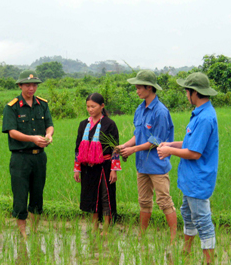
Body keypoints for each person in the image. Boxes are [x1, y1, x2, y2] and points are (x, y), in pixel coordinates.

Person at [157, 72, 219, 265]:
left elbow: (194, 153)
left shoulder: (205, 118)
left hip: (198, 179)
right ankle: (186, 249)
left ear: (194, 92)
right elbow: (190, 143)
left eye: (186, 91)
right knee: (188, 213)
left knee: (202, 219)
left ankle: (209, 263)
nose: (185, 94)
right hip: (189, 179)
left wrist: (169, 151)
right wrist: (171, 144)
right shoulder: (200, 114)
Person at [119, 70, 177, 242]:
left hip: (157, 164)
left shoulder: (160, 111)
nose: (136, 91)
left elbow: (155, 141)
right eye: (136, 87)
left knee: (164, 201)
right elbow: (139, 134)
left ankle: (173, 237)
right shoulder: (140, 109)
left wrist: (133, 150)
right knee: (144, 201)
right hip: (142, 165)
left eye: (139, 87)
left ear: (149, 88)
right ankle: (141, 235)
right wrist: (124, 146)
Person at [2, 70, 54, 240]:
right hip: (20, 158)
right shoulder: (12, 107)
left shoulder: (42, 104)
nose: (31, 88)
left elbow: (49, 125)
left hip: (39, 157)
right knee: (20, 194)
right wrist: (32, 138)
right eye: (27, 85)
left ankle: (36, 229)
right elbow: (12, 132)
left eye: (34, 85)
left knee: (38, 193)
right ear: (20, 86)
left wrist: (49, 136)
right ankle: (23, 232)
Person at [73, 93, 122, 234]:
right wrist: (77, 169)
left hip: (105, 166)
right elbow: (77, 149)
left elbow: (115, 148)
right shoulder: (83, 124)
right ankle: (94, 227)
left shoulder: (109, 124)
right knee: (91, 196)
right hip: (87, 167)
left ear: (102, 106)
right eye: (88, 106)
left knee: (105, 196)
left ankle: (106, 228)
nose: (90, 109)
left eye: (93, 106)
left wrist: (114, 170)